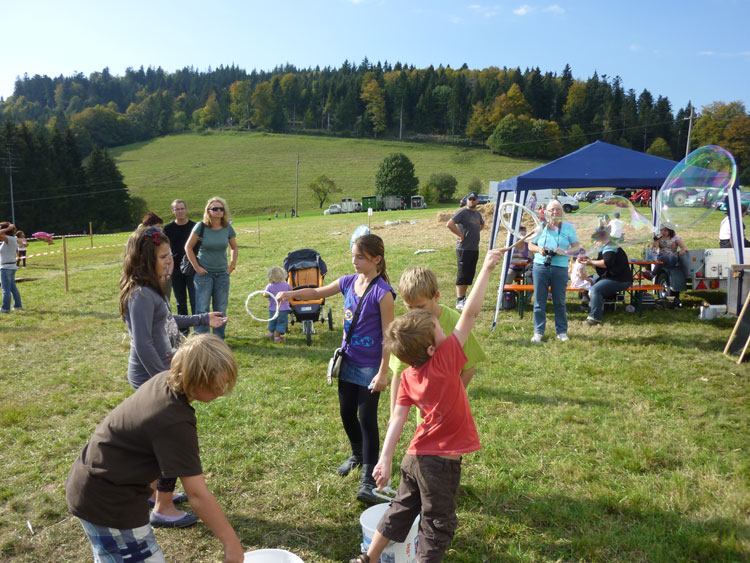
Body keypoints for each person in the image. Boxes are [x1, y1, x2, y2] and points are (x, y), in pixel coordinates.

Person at [348, 247, 508, 563]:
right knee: (437, 524)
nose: (441, 326)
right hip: (441, 463)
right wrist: (487, 267)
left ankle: (367, 558)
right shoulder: (447, 360)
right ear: (434, 348)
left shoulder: (408, 375)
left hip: (414, 457)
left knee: (401, 509)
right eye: (437, 328)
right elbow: (471, 313)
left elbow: (396, 419)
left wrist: (385, 457)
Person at [65, 334, 244, 563]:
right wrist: (231, 543)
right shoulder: (174, 420)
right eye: (216, 386)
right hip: (108, 501)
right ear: (192, 379)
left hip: (92, 484)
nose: (221, 391)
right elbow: (197, 494)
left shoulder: (165, 379)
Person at [120, 226, 228, 527]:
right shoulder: (140, 295)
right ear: (144, 259)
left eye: (170, 256)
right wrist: (163, 382)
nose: (170, 261)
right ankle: (163, 508)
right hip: (154, 377)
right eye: (164, 257)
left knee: (160, 441)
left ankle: (155, 492)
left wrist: (203, 318)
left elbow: (168, 321)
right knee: (170, 441)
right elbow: (142, 343)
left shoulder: (153, 289)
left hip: (166, 374)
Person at [276, 234, 395, 504]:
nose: (354, 261)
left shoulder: (383, 293)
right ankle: (357, 454)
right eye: (353, 255)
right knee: (345, 413)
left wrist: (383, 372)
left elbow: (389, 336)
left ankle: (368, 480)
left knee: (367, 420)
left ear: (376, 259)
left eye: (360, 257)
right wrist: (290, 294)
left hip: (370, 367)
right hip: (348, 361)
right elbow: (318, 293)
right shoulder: (348, 282)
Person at [389, 265, 487, 415]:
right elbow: (399, 374)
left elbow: (468, 368)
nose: (416, 313)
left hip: (452, 411)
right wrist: (393, 414)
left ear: (436, 296)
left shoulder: (455, 321)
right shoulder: (408, 327)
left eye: (421, 306)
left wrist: (453, 398)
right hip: (425, 415)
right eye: (410, 307)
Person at [185, 197, 238, 341]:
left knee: (220, 308)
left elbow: (234, 247)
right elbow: (188, 247)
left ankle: (219, 340)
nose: (219, 211)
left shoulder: (227, 228)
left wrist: (231, 266)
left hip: (222, 274)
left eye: (221, 208)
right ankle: (201, 340)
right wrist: (197, 267)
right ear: (208, 211)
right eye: (215, 208)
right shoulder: (201, 226)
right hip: (204, 274)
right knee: (202, 308)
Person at [527, 199, 580, 343]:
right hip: (540, 267)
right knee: (539, 301)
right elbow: (530, 245)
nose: (554, 212)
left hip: (560, 268)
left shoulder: (568, 228)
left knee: (560, 301)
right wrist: (539, 250)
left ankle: (561, 332)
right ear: (546, 212)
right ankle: (538, 332)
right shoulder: (540, 227)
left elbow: (577, 247)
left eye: (558, 209)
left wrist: (565, 251)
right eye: (551, 209)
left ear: (562, 212)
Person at [582, 228, 633, 325]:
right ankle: (591, 306)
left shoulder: (610, 247)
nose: (595, 242)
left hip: (620, 279)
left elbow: (606, 263)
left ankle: (594, 318)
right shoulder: (607, 247)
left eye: (596, 240)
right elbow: (602, 267)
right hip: (614, 277)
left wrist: (591, 261)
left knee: (596, 289)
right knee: (592, 282)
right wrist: (589, 262)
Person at [446, 191, 485, 310]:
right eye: (470, 199)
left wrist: (476, 232)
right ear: (467, 200)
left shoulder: (478, 214)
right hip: (464, 248)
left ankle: (464, 297)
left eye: (474, 199)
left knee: (469, 274)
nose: (472, 201)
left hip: (474, 248)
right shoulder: (463, 212)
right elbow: (450, 224)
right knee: (463, 274)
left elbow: (482, 225)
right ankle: (459, 300)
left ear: (477, 201)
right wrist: (460, 235)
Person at [163, 199, 197, 334]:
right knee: (180, 302)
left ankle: (198, 328)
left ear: (186, 210)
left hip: (193, 268)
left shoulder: (195, 227)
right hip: (176, 270)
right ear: (173, 211)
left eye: (182, 208)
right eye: (177, 209)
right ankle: (184, 331)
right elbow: (165, 250)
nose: (180, 211)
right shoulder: (168, 229)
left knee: (195, 300)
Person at [264, 265, 291, 343]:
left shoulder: (269, 286)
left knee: (273, 321)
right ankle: (277, 338)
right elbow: (291, 291)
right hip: (283, 309)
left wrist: (268, 294)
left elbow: (265, 295)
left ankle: (271, 333)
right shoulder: (286, 285)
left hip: (272, 309)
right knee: (281, 323)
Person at [0, 222, 23, 313]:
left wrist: (9, 227)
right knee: (13, 288)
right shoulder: (9, 239)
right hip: (10, 266)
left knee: (5, 289)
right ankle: (18, 306)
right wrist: (8, 228)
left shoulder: (9, 239)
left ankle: (5, 309)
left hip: (6, 267)